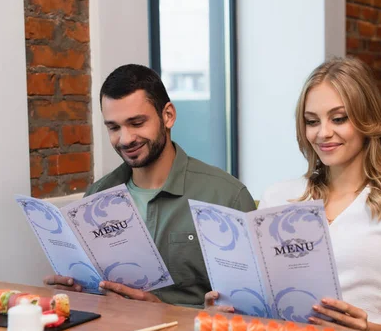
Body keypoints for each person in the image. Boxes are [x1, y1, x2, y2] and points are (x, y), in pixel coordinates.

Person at [206, 57, 381, 331]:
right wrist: (226, 308)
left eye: (339, 119)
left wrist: (365, 329)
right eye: (312, 121)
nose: (323, 133)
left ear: (368, 120)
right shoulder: (278, 196)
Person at [44, 64, 256, 307]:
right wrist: (76, 291)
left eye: (136, 123)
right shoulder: (95, 198)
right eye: (114, 127)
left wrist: (163, 311)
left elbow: (251, 308)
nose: (125, 139)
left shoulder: (227, 197)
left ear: (168, 116)